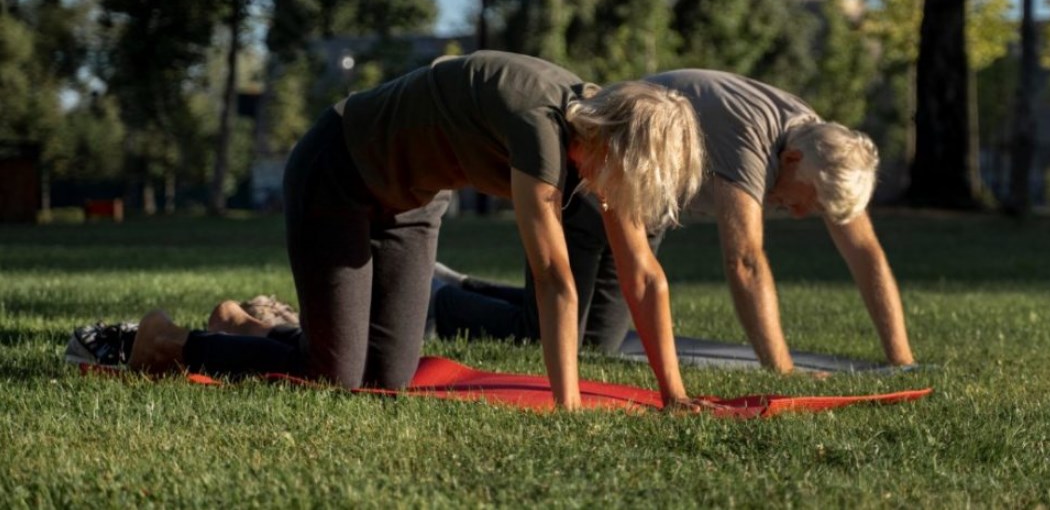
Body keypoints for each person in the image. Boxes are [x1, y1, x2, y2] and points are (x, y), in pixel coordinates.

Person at [127, 51, 708, 410]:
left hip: (412, 205)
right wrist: (568, 407)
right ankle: (165, 342)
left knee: (385, 379)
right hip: (339, 172)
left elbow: (645, 278)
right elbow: (554, 279)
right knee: (331, 379)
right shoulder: (544, 130)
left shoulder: (600, 134)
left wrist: (675, 395)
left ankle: (243, 326)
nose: (625, 199)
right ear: (615, 144)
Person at [431, 68, 916, 373]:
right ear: (789, 161)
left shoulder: (822, 145)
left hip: (650, 201)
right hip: (601, 173)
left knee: (598, 342)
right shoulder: (752, 142)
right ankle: (443, 302)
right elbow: (744, 260)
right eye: (806, 201)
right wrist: (781, 372)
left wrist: (901, 360)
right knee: (548, 334)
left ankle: (467, 287)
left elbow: (865, 250)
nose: (803, 214)